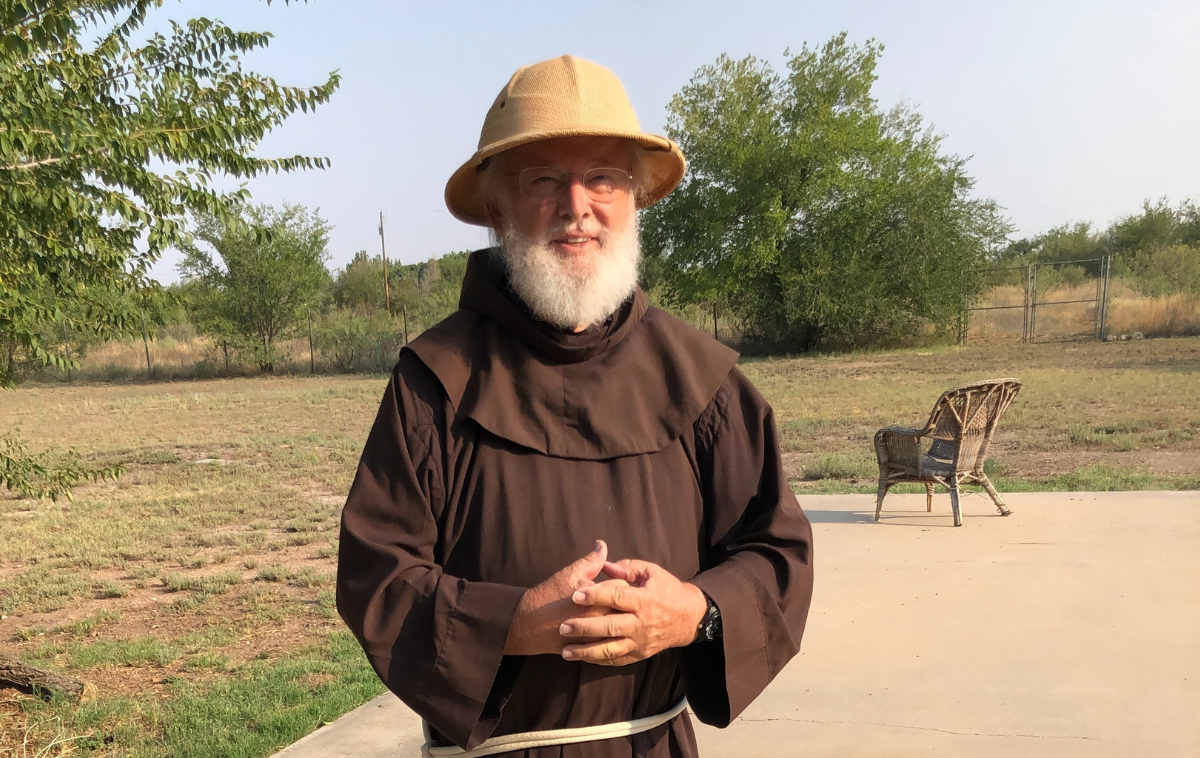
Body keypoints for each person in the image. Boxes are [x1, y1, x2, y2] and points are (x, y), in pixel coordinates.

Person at [336, 54, 814, 758]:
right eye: (545, 181)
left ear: (635, 199)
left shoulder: (705, 382)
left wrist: (694, 611)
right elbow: (377, 576)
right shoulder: (433, 381)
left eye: (603, 179)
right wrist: (510, 624)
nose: (577, 206)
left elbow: (777, 552)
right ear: (497, 208)